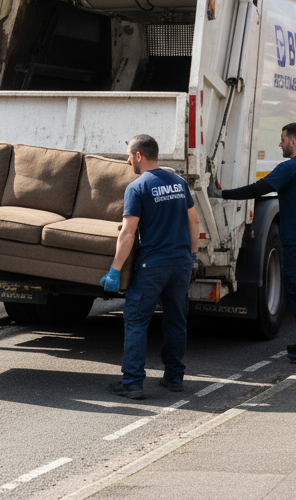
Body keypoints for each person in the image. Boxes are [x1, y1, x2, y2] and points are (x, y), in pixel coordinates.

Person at [215, 122, 296, 363]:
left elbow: (259, 189)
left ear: (293, 141)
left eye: (282, 139)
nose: (279, 144)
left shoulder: (289, 168)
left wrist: (222, 194)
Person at [100, 134, 200, 399]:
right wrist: (192, 256)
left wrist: (115, 269)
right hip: (180, 265)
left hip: (152, 265)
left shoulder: (137, 187)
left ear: (140, 156)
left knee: (136, 320)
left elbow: (128, 232)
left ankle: (132, 383)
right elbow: (194, 223)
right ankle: (174, 378)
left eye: (129, 156)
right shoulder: (179, 183)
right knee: (176, 320)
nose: (128, 160)